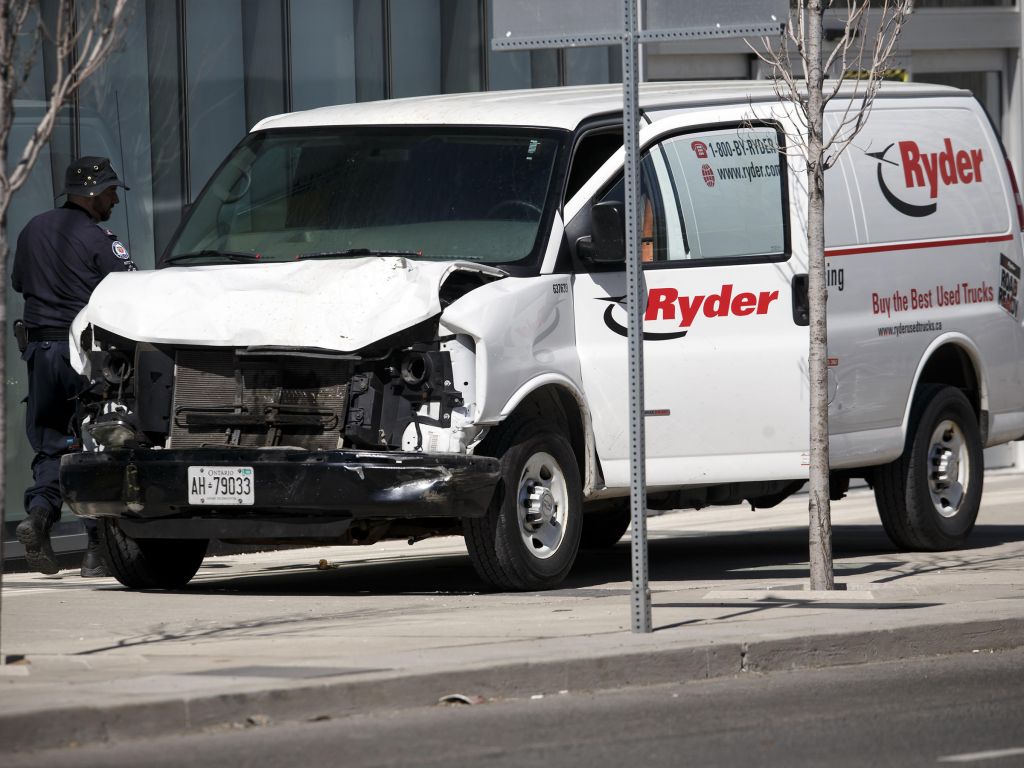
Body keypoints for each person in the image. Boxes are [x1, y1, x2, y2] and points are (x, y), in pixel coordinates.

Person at [12, 156, 138, 577]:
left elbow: (19, 282)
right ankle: (97, 550)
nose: (114, 201)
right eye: (111, 192)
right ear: (93, 193)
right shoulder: (98, 238)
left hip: (39, 354)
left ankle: (40, 518)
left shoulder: (32, 229)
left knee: (51, 445)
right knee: (92, 445)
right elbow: (127, 289)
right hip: (82, 354)